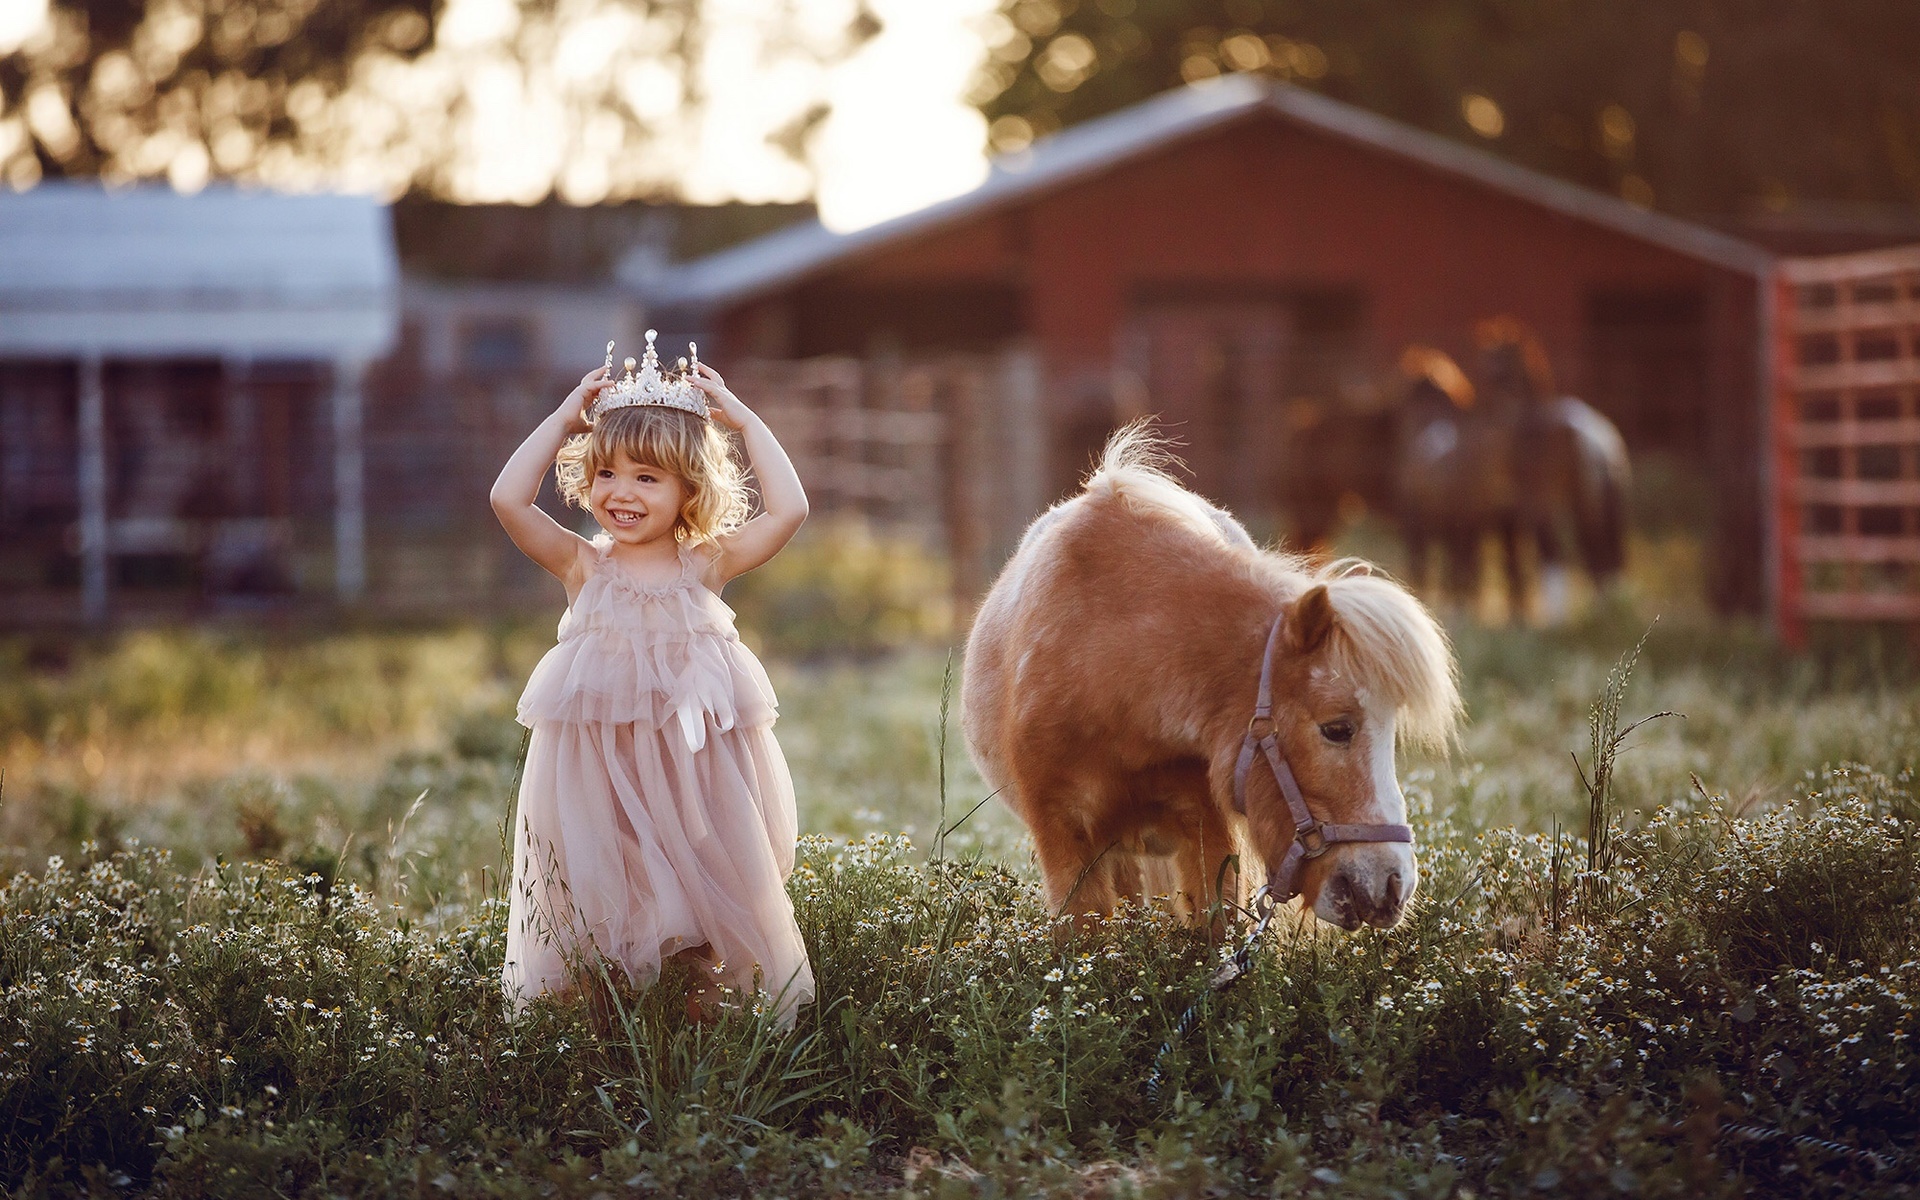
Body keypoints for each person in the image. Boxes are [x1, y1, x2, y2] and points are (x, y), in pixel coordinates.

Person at [488, 334, 814, 1024]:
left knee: (696, 899)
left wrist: (747, 422)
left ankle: (693, 1024)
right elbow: (509, 501)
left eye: (647, 477)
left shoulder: (707, 565)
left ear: (688, 489)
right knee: (602, 899)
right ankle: (605, 1031)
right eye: (607, 474)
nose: (621, 493)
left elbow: (788, 513)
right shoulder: (583, 567)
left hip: (691, 780)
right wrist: (563, 419)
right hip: (600, 782)